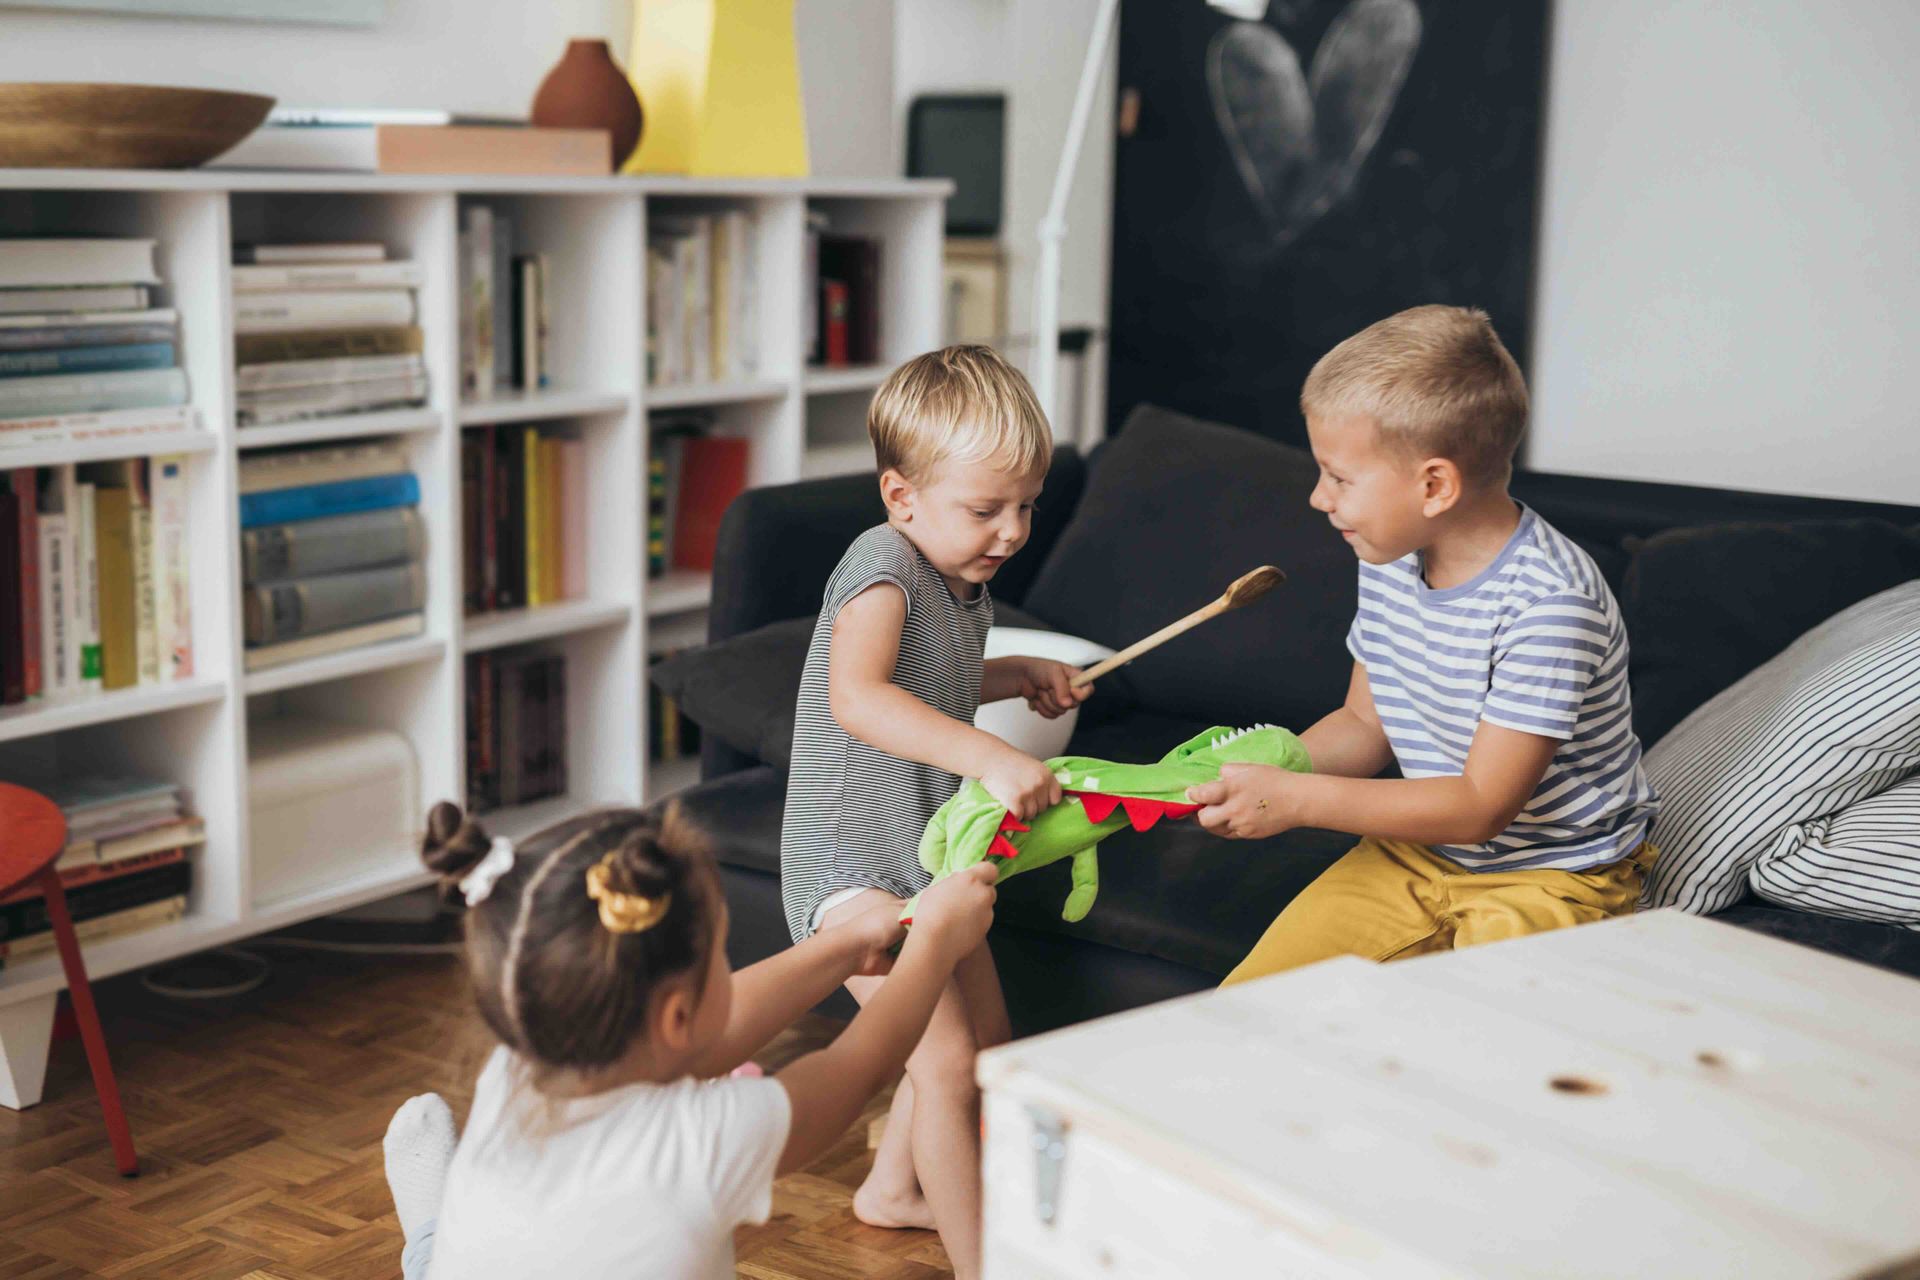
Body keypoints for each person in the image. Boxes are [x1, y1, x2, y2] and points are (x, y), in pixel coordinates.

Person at [1189, 305, 1659, 980]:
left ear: (1434, 485)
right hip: (1413, 852)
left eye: (1340, 478)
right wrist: (1246, 776)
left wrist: (1297, 803)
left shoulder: (1552, 605)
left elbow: (1479, 807)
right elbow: (1362, 724)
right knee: (1249, 1009)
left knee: (1475, 1048)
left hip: (1550, 874)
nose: (1319, 498)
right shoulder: (1386, 555)